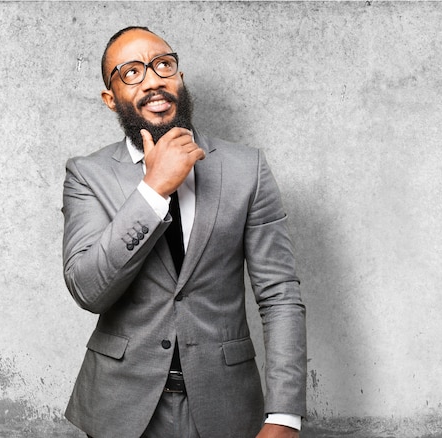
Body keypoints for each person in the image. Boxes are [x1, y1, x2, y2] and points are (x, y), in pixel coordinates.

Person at [61, 26, 306, 438]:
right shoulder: (87, 174)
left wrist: (284, 415)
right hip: (119, 410)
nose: (153, 80)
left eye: (163, 65)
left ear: (180, 77)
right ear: (110, 98)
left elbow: (279, 294)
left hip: (226, 407)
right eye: (132, 72)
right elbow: (88, 288)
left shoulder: (248, 169)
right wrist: (153, 189)